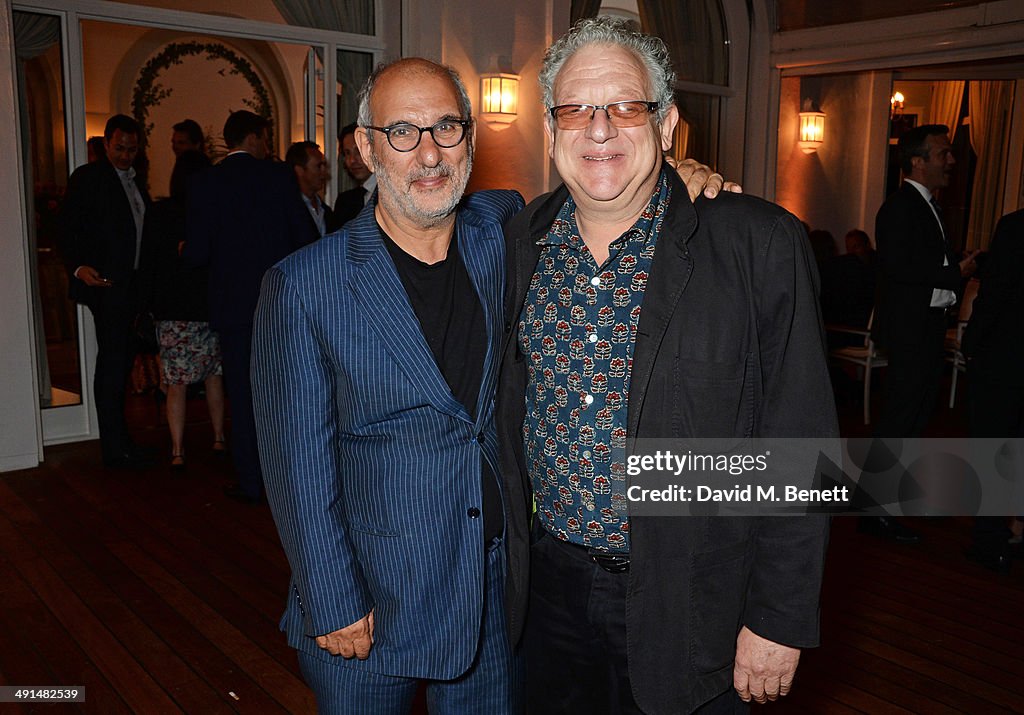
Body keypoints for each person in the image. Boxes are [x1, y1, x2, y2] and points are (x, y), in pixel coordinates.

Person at [251, 56, 729, 713]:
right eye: (402, 132)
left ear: (471, 140)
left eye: (447, 128)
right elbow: (296, 462)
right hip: (370, 604)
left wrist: (668, 174)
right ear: (365, 148)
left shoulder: (504, 232)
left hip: (491, 595)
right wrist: (332, 598)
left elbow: (602, 187)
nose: (428, 152)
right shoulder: (303, 284)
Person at [496, 17, 837, 714]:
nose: (599, 130)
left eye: (625, 106)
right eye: (576, 109)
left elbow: (800, 442)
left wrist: (779, 616)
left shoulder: (756, 244)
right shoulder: (516, 243)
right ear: (550, 126)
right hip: (548, 591)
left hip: (697, 600)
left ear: (669, 122)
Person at [184, 109, 313, 504]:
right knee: (284, 394)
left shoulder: (207, 183)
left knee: (242, 395)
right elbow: (304, 238)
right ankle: (289, 480)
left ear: (228, 141)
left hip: (233, 309)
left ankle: (252, 482)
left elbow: (198, 253)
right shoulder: (277, 177)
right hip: (277, 306)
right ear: (255, 138)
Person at [867, 124, 980, 542]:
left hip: (927, 330)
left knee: (914, 422)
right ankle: (876, 512)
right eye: (942, 154)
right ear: (917, 161)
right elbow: (898, 269)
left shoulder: (929, 206)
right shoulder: (899, 207)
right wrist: (956, 272)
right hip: (910, 333)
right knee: (898, 422)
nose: (950, 161)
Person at [59, 114, 153, 469]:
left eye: (131, 149)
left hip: (131, 287)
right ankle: (114, 447)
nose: (126, 155)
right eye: (119, 148)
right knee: (112, 366)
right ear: (106, 143)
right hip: (106, 285)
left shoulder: (135, 182)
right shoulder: (89, 178)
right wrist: (80, 268)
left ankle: (121, 442)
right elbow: (67, 228)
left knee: (120, 363)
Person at [139, 149, 226, 471]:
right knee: (215, 376)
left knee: (176, 381)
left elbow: (147, 263)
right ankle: (218, 437)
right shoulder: (212, 213)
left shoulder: (160, 213)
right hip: (207, 305)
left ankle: (177, 450)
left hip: (172, 309)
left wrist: (146, 306)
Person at [962, 207, 1024, 573]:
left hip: (1006, 357)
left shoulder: (1015, 227)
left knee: (993, 447)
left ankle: (990, 539)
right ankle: (1015, 528)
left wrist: (972, 342)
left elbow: (996, 290)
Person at [284, 140, 338, 238]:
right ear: (299, 170)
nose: (324, 173)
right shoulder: (286, 211)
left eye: (324, 166)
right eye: (318, 166)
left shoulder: (326, 211)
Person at [333, 122, 376, 225]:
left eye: (358, 151)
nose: (352, 160)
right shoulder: (344, 201)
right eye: (347, 153)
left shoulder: (390, 194)